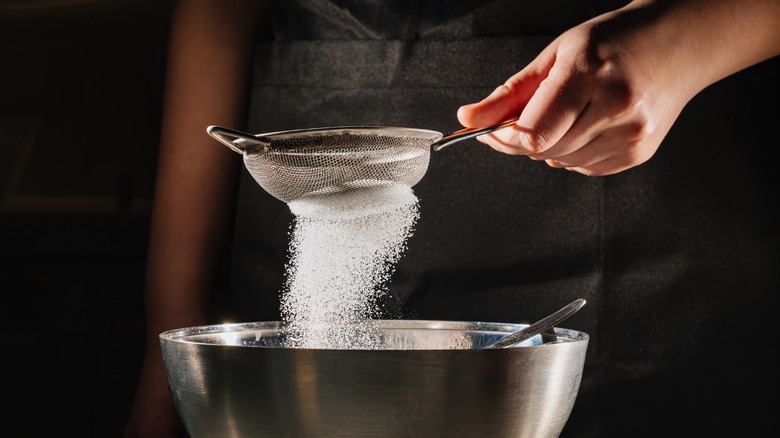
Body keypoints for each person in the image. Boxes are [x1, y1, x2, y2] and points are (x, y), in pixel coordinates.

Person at [125, 0, 780, 437]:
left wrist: (687, 34)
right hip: (305, 126)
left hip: (653, 249)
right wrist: (168, 340)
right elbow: (216, 14)